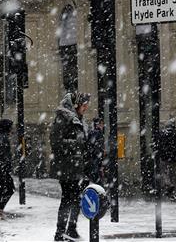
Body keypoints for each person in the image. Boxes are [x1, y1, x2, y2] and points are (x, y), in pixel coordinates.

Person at [50, 92, 90, 242]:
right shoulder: (63, 118)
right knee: (67, 198)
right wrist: (76, 145)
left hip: (78, 166)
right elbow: (55, 142)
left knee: (77, 198)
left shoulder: (78, 119)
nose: (86, 108)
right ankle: (60, 233)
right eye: (84, 105)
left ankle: (71, 229)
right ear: (76, 105)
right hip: (66, 167)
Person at [0, 119, 15, 220]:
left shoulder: (0, 137)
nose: (12, 129)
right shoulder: (2, 138)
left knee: (2, 189)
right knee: (8, 189)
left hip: (0, 168)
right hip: (2, 168)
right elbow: (3, 155)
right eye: (10, 127)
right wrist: (5, 167)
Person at [158, 118, 176, 201]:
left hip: (164, 156)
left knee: (164, 171)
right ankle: (172, 189)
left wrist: (161, 152)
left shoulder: (162, 133)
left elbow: (159, 144)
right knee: (172, 172)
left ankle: (168, 183)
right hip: (173, 157)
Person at [86, 117, 107, 186]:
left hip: (96, 160)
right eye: (101, 124)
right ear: (97, 124)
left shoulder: (95, 132)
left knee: (97, 180)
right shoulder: (96, 132)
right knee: (98, 180)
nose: (102, 126)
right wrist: (100, 153)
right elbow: (94, 146)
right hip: (96, 160)